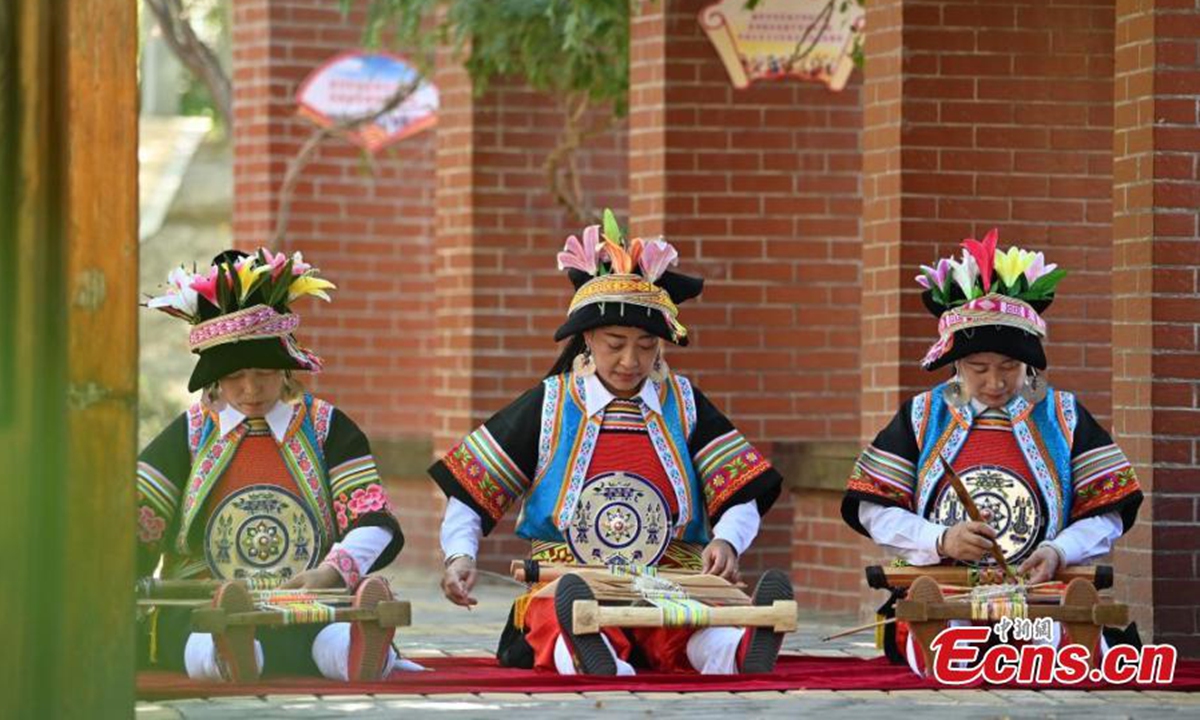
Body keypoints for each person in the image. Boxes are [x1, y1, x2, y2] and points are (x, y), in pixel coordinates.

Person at [430, 211, 792, 675]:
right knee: (558, 616)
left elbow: (740, 487)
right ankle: (592, 653)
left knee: (693, 625)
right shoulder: (551, 404)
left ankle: (739, 651)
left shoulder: (683, 403)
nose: (630, 360)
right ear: (587, 337)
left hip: (669, 580)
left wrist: (727, 540)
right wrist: (460, 556)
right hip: (571, 578)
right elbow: (475, 489)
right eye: (615, 343)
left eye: (645, 345)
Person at [841, 230, 1143, 674]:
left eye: (1010, 368)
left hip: (1040, 588)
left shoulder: (1063, 415)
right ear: (956, 365)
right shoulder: (924, 415)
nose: (995, 383)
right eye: (979, 369)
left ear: (1031, 367)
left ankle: (1056, 642)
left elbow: (1110, 510)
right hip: (946, 587)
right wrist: (940, 539)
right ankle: (949, 647)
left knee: (1056, 639)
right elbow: (872, 509)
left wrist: (1059, 550)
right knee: (942, 633)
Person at [137, 249, 404, 681]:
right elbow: (139, 515)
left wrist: (332, 572)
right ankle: (229, 655)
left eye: (264, 371)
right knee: (198, 635)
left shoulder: (327, 429)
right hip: (201, 602)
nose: (250, 388)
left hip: (310, 602)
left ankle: (357, 653)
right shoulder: (188, 434)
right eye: (233, 375)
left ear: (287, 367)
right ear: (213, 378)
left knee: (333, 635)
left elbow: (372, 518)